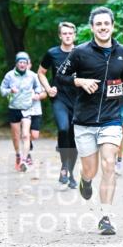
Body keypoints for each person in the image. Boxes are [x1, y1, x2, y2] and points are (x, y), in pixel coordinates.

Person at [56, 7, 123, 236]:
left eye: (106, 23)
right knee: (90, 170)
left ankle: (105, 217)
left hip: (111, 119)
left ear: (112, 26)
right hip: (84, 121)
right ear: (92, 27)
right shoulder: (80, 52)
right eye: (98, 24)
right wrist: (79, 81)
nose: (103, 27)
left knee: (109, 163)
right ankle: (85, 179)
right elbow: (60, 76)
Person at [38, 22, 79, 189]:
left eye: (70, 33)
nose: (68, 36)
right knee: (63, 129)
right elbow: (41, 72)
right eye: (65, 33)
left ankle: (71, 173)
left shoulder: (81, 52)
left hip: (78, 100)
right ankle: (64, 166)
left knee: (74, 137)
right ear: (60, 36)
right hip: (59, 98)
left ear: (74, 35)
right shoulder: (52, 53)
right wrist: (48, 88)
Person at [0, 52, 43, 172]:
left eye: (24, 62)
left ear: (27, 64)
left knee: (25, 135)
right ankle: (18, 155)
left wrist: (37, 93)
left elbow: (38, 87)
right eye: (20, 62)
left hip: (27, 108)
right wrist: (10, 90)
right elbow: (2, 90)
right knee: (16, 137)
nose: (22, 64)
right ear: (17, 63)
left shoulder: (32, 75)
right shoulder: (9, 75)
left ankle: (24, 160)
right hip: (14, 108)